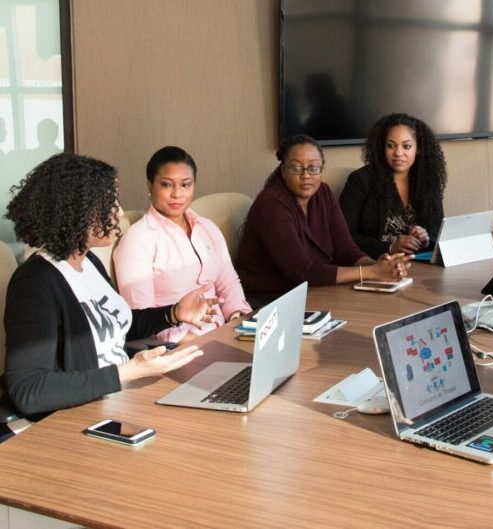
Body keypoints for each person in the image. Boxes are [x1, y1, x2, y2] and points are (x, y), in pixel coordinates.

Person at [3, 153, 217, 420]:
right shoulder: (35, 282)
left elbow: (115, 327)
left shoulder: (88, 261)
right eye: (109, 202)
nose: (117, 211)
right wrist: (129, 371)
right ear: (77, 209)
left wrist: (173, 313)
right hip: (83, 417)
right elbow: (29, 390)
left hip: (121, 399)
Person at [235, 135, 412, 303]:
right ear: (283, 171)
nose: (306, 176)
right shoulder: (271, 205)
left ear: (321, 169)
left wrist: (379, 266)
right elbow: (301, 272)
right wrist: (371, 272)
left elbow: (346, 249)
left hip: (315, 291)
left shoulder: (323, 193)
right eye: (296, 168)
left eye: (313, 168)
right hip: (270, 300)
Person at [113, 146, 251, 343]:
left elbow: (228, 283)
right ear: (149, 186)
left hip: (226, 334)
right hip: (180, 345)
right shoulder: (138, 240)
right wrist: (188, 340)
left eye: (186, 185)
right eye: (167, 185)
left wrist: (240, 319)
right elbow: (140, 318)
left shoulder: (207, 228)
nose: (178, 194)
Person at [339, 113, 446, 259]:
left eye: (406, 146)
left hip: (419, 262)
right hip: (374, 263)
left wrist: (426, 238)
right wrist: (389, 247)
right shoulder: (360, 181)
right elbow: (344, 236)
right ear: (382, 148)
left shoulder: (427, 180)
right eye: (391, 146)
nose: (398, 153)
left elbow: (437, 230)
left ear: (418, 148)